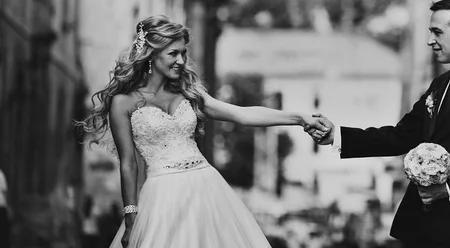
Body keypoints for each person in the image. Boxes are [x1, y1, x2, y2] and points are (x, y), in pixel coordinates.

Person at [75, 15, 329, 248]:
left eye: (183, 53)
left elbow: (242, 114)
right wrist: (131, 216)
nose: (181, 61)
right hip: (162, 196)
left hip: (206, 188)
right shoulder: (123, 102)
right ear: (151, 55)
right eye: (173, 53)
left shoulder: (189, 93)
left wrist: (299, 117)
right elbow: (128, 164)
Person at [307, 0, 450, 248]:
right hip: (425, 227)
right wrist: (338, 136)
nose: (430, 40)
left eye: (437, 32)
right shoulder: (440, 84)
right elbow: (403, 134)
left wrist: (449, 188)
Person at [0, 167, 10, 248]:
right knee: (3, 230)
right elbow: (4, 191)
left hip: (1, 205)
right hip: (1, 205)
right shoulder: (1, 174)